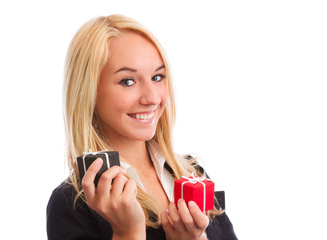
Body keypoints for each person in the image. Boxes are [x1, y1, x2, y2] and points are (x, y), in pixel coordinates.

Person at [46, 14, 238, 240]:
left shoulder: (193, 173)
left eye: (158, 77)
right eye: (128, 81)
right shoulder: (74, 203)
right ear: (89, 92)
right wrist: (128, 233)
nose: (152, 98)